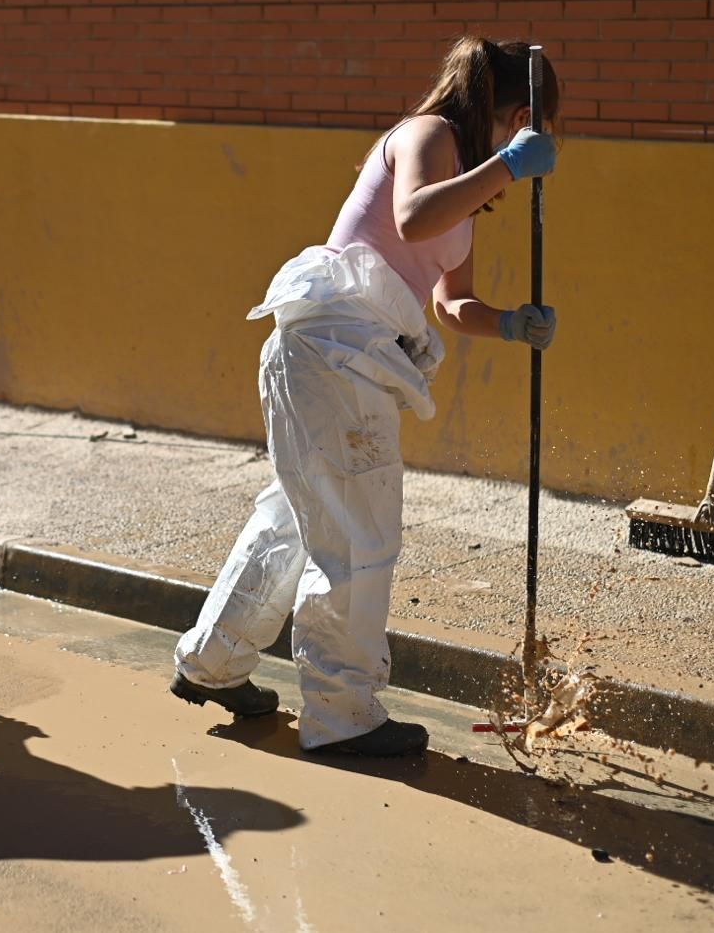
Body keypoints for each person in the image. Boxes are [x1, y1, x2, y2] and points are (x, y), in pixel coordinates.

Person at [170, 38, 560, 757]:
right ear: (518, 117)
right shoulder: (430, 134)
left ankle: (212, 664)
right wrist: (505, 165)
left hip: (332, 359)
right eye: (525, 135)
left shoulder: (466, 197)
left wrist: (509, 323)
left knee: (295, 518)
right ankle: (343, 717)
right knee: (359, 539)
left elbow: (452, 303)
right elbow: (412, 218)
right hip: (339, 358)